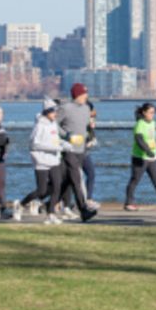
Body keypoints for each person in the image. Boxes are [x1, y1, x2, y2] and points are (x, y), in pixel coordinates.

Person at [53, 83, 98, 222]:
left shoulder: (86, 109)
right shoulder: (65, 108)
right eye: (84, 94)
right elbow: (53, 123)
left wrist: (89, 137)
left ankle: (47, 204)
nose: (86, 96)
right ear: (77, 95)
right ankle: (83, 210)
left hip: (81, 150)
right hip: (69, 149)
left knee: (67, 180)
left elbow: (85, 128)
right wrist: (65, 135)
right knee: (77, 179)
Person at [124, 102, 156, 216]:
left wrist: (153, 153)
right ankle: (128, 203)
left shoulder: (153, 123)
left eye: (154, 112)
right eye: (150, 112)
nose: (153, 115)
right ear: (144, 112)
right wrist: (147, 150)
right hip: (140, 157)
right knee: (135, 180)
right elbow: (139, 139)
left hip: (152, 158)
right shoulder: (140, 124)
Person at [20, 99, 63, 223]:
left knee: (57, 186)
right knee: (42, 190)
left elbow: (55, 140)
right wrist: (53, 147)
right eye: (53, 111)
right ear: (46, 112)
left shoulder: (53, 124)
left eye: (56, 111)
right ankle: (22, 204)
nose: (56, 114)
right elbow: (34, 144)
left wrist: (63, 144)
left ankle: (51, 214)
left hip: (54, 160)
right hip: (41, 161)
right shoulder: (39, 125)